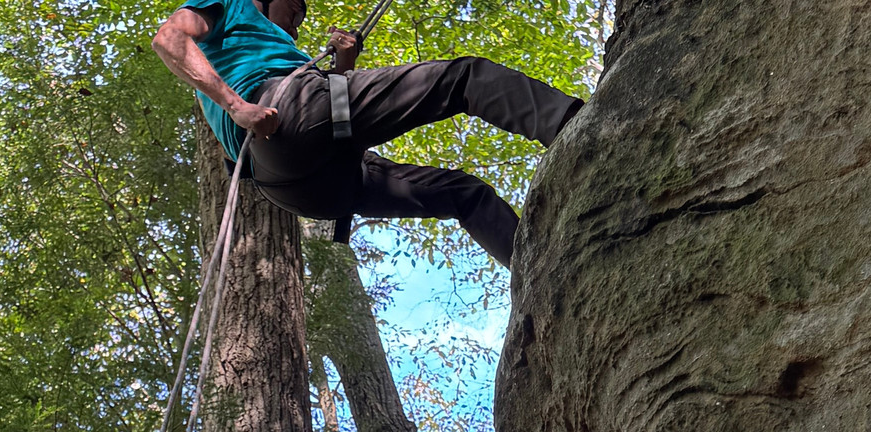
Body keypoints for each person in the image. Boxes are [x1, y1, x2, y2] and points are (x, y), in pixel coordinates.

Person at [152, 0, 582, 267]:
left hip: (303, 186)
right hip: (283, 113)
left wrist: (344, 66)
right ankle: (576, 125)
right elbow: (169, 39)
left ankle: (535, 276)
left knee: (463, 193)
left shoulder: (287, 50)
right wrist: (238, 106)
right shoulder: (231, 4)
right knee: (466, 78)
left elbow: (332, 125)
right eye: (295, 7)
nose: (298, 19)